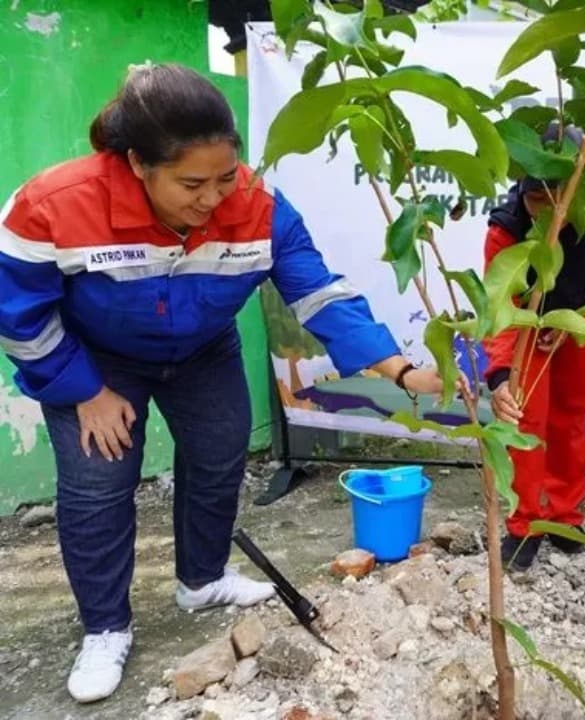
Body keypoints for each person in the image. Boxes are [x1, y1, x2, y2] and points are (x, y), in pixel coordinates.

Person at [0, 63, 449, 703]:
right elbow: (16, 314)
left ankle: (202, 580)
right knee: (99, 484)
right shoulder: (53, 205)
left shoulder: (260, 207)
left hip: (202, 350)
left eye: (225, 178)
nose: (213, 199)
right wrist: (84, 391)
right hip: (93, 360)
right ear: (137, 164)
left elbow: (318, 293)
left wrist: (399, 369)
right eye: (191, 183)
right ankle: (105, 626)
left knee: (219, 454)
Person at [482, 125, 585, 571]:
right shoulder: (506, 229)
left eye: (557, 198)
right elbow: (499, 307)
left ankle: (564, 514)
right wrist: (501, 375)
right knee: (525, 418)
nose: (547, 211)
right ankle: (524, 524)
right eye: (535, 199)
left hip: (576, 323)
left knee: (572, 417)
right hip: (525, 327)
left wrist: (578, 319)